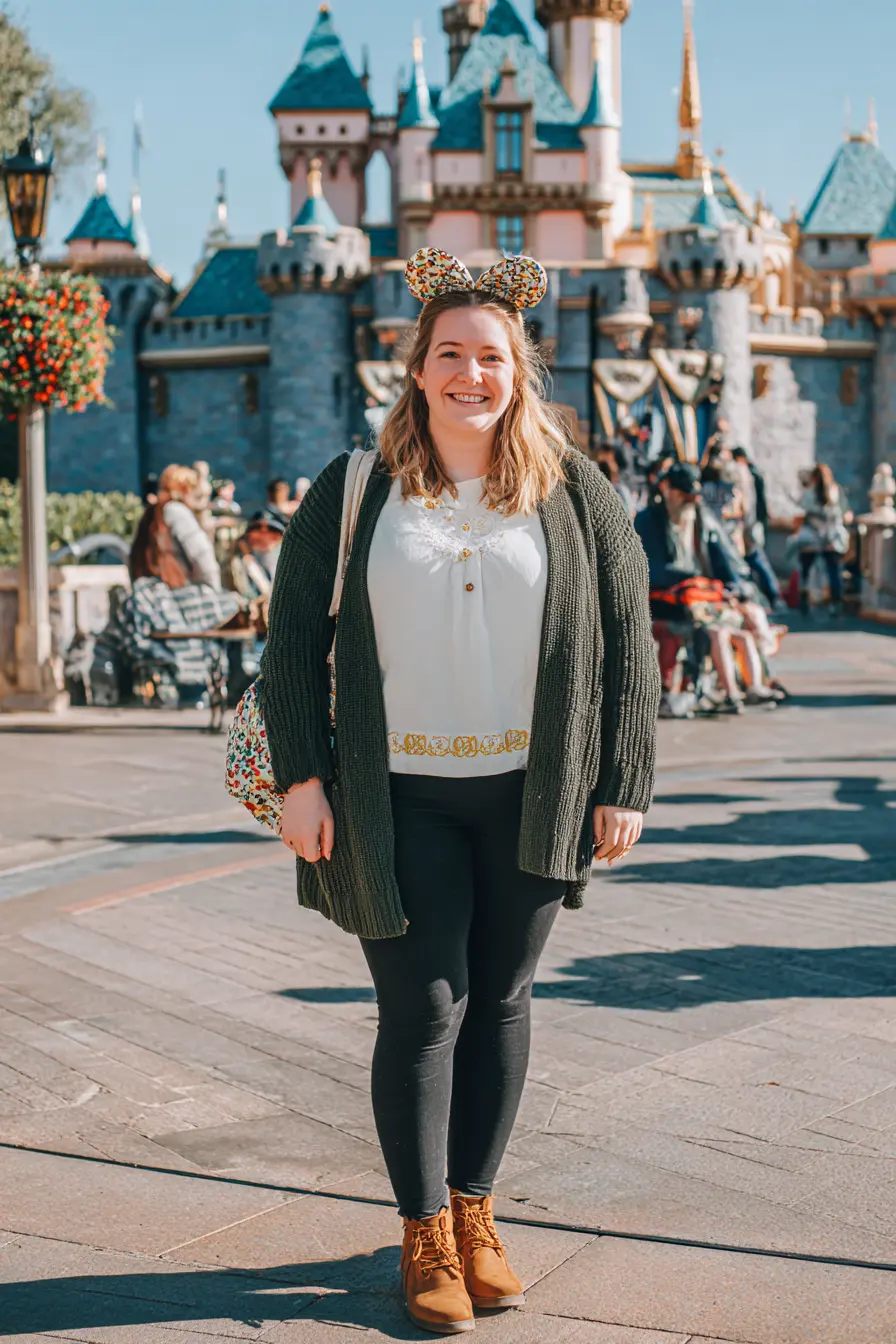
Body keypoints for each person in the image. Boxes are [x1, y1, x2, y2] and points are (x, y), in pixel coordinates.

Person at [261, 247, 660, 1334]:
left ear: (517, 369)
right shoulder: (353, 490)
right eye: (449, 354)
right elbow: (291, 640)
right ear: (418, 367)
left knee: (503, 1001)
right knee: (422, 1009)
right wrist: (301, 777)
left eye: (489, 356)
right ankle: (423, 1230)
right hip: (399, 798)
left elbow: (629, 639)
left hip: (531, 791)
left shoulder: (574, 490)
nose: (469, 375)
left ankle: (477, 1212)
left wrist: (621, 779)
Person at [635, 461, 777, 712]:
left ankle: (752, 687)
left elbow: (727, 562)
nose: (690, 501)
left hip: (703, 600)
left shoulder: (703, 518)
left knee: (744, 629)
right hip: (670, 603)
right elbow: (651, 570)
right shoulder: (649, 521)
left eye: (693, 496)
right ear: (668, 490)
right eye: (685, 495)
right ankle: (730, 693)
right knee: (717, 633)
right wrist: (699, 582)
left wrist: (735, 589)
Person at [793, 463, 851, 616]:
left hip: (811, 537)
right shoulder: (836, 491)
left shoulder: (809, 493)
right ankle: (836, 603)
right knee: (834, 572)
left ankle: (804, 601)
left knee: (805, 570)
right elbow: (845, 513)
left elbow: (801, 511)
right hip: (832, 537)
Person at [731, 447, 781, 607]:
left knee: (755, 557)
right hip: (755, 521)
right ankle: (769, 596)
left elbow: (750, 503)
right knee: (754, 559)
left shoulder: (746, 473)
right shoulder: (754, 472)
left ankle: (773, 595)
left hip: (750, 523)